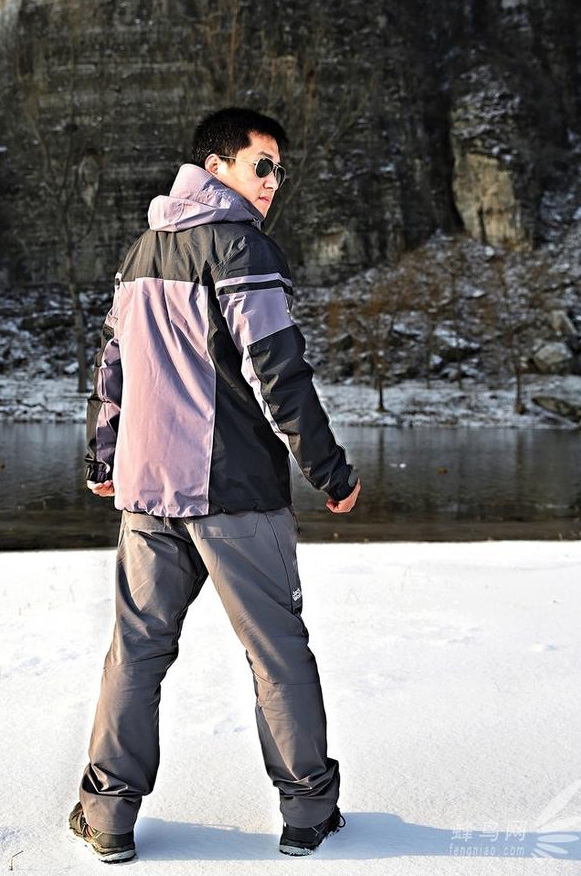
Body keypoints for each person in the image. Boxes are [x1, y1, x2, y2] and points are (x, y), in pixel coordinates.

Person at [68, 107, 361, 863]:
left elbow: (111, 364)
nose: (272, 181)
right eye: (261, 165)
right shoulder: (240, 246)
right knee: (277, 652)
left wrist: (103, 456)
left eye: (279, 170)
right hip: (233, 494)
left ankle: (108, 816)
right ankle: (308, 812)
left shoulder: (142, 250)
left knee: (136, 652)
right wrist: (329, 470)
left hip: (147, 491)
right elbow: (278, 371)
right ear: (216, 166)